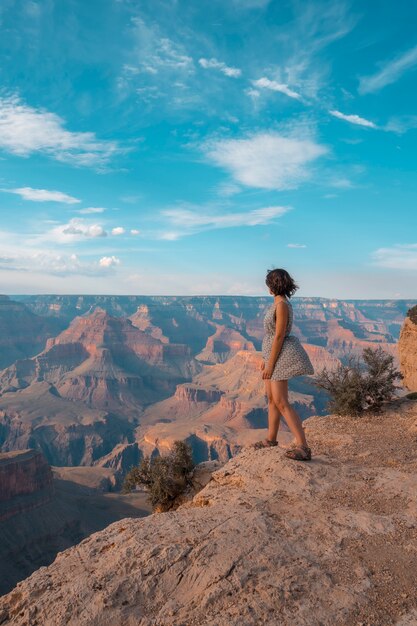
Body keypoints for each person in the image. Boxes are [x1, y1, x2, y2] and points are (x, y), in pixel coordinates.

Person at [251, 268, 314, 461]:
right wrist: (265, 358)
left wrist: (270, 364)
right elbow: (272, 337)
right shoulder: (278, 303)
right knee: (271, 399)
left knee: (281, 401)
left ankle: (303, 446)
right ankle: (271, 439)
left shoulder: (282, 305)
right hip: (272, 354)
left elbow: (279, 335)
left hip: (279, 358)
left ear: (272, 286)